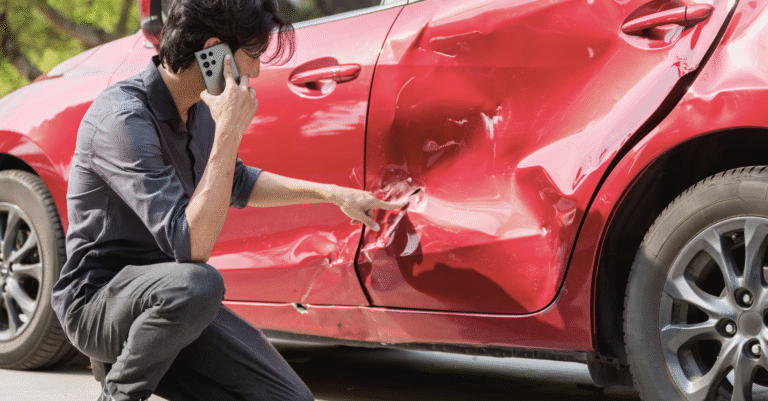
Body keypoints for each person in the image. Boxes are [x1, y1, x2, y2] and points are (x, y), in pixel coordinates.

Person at [50, 0, 406, 400]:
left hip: (171, 305)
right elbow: (192, 246)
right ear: (214, 51)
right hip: (99, 305)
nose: (254, 72)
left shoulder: (199, 112)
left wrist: (331, 194)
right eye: (251, 57)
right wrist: (229, 131)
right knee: (200, 283)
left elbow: (237, 180)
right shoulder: (123, 119)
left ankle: (142, 357)